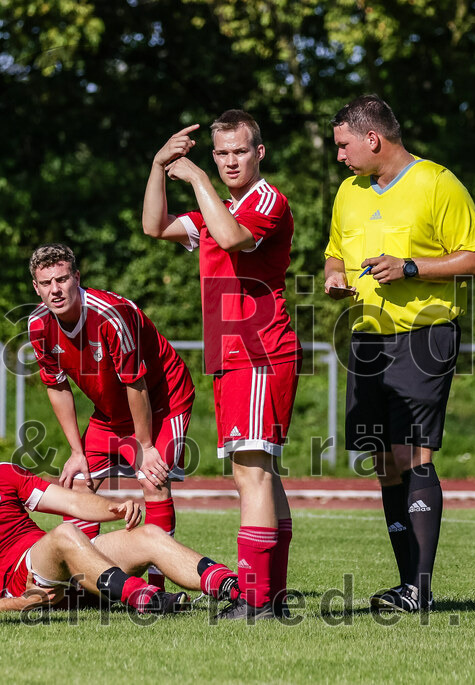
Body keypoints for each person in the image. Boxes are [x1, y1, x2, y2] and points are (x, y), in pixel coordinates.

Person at [323, 95, 475, 612]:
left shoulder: (437, 183)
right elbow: (335, 251)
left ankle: (419, 587)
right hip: (367, 341)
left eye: (344, 145)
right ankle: (406, 586)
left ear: (373, 139)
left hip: (423, 338)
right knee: (383, 460)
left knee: (412, 453)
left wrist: (412, 268)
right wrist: (334, 274)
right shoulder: (349, 192)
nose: (340, 156)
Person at [141, 110, 302, 621]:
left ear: (260, 153)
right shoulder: (222, 208)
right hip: (234, 357)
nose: (232, 160)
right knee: (262, 476)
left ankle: (254, 599)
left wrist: (197, 178)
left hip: (259, 352)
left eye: (240, 151)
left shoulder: (265, 201)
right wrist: (157, 166)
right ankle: (269, 596)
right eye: (222, 153)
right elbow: (155, 225)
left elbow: (233, 238)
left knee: (250, 475)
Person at [0, 427, 241, 614]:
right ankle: (144, 598)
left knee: (148, 534)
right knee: (64, 534)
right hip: (28, 582)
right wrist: (15, 605)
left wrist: (112, 508)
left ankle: (233, 588)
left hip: (70, 563)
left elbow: (69, 500)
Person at [27, 244, 195, 588]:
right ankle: (81, 583)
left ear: (77, 277)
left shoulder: (110, 314)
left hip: (163, 402)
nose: (55, 290)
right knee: (77, 484)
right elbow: (57, 387)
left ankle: (155, 586)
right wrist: (76, 452)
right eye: (46, 283)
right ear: (36, 287)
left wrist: (145, 447)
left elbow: (136, 383)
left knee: (153, 479)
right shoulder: (37, 325)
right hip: (109, 412)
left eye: (62, 279)